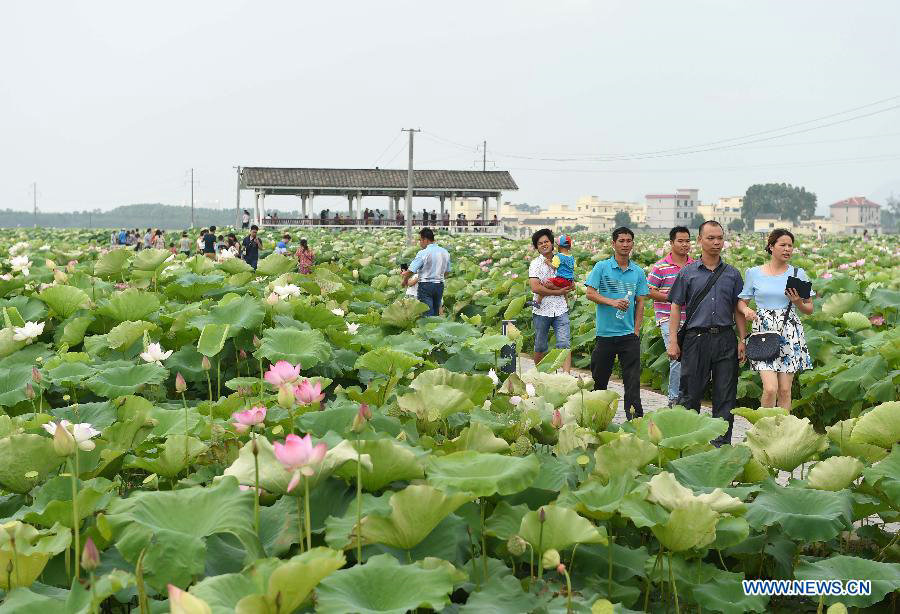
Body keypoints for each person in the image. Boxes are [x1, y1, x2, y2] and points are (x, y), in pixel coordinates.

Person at [667, 221, 747, 447]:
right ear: (700, 240)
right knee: (690, 395)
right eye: (711, 238)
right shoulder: (687, 273)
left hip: (725, 338)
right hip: (695, 339)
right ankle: (689, 443)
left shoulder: (732, 274)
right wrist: (673, 341)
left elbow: (737, 308)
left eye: (720, 238)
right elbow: (675, 306)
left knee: (725, 396)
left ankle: (720, 446)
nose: (716, 242)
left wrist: (743, 339)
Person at [737, 229, 814, 410]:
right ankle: (762, 430)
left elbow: (809, 308)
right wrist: (746, 309)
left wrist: (798, 302)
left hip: (789, 331)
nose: (787, 249)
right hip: (763, 331)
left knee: (785, 390)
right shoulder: (754, 273)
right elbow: (741, 302)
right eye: (783, 245)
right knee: (770, 388)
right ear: (771, 247)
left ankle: (780, 434)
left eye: (790, 246)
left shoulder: (797, 274)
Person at [585, 227, 649, 419]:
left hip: (628, 336)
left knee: (632, 382)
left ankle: (635, 419)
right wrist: (612, 302)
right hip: (605, 335)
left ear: (632, 244)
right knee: (599, 381)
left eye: (629, 241)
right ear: (613, 244)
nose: (625, 244)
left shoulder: (637, 272)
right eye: (621, 241)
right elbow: (590, 293)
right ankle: (594, 417)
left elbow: (641, 303)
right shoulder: (601, 267)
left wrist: (636, 331)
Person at [647, 226, 695, 407]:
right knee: (676, 356)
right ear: (671, 243)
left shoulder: (695, 265)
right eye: (680, 241)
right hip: (667, 317)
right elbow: (648, 290)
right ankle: (674, 399)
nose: (684, 245)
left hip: (691, 318)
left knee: (691, 359)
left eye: (687, 241)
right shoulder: (661, 266)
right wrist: (674, 297)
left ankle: (687, 397)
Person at [528, 228, 574, 373]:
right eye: (540, 243)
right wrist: (559, 291)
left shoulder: (562, 259)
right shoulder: (535, 264)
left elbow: (571, 283)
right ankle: (539, 375)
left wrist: (567, 286)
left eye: (546, 241)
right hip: (541, 310)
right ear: (536, 247)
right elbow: (535, 288)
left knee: (564, 343)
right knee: (540, 346)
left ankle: (566, 376)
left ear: (552, 243)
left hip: (560, 308)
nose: (544, 245)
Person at [403, 227, 451, 317]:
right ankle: (435, 329)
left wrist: (404, 280)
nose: (420, 242)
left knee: (427, 312)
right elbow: (447, 272)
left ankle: (428, 330)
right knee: (436, 312)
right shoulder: (445, 252)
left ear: (425, 239)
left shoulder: (423, 253)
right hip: (439, 285)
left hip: (426, 285)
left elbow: (411, 270)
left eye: (420, 240)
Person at [535, 234, 575, 307]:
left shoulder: (558, 256)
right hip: (569, 281)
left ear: (559, 246)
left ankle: (538, 302)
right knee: (564, 292)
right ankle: (566, 305)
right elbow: (573, 268)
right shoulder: (571, 257)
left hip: (561, 279)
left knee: (546, 283)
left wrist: (548, 262)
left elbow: (554, 267)